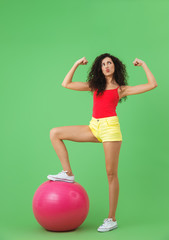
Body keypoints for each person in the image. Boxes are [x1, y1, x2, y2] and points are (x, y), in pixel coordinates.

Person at [47, 53, 158, 232]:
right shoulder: (95, 86)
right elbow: (66, 83)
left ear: (115, 67)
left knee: (111, 173)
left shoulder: (121, 89)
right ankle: (67, 173)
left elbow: (152, 84)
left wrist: (144, 64)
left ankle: (111, 218)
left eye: (110, 63)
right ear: (99, 68)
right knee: (55, 133)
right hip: (94, 126)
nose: (106, 66)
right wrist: (76, 63)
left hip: (111, 129)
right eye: (103, 64)